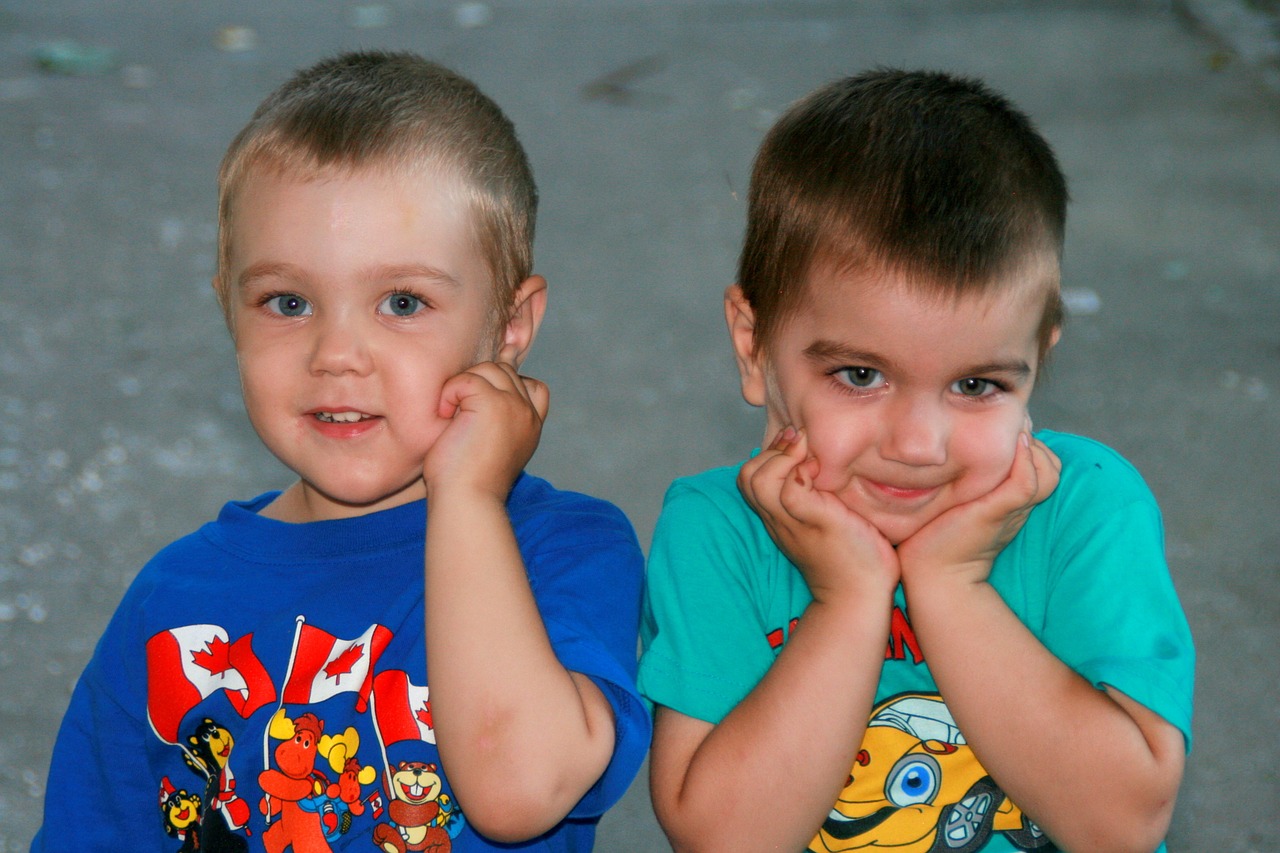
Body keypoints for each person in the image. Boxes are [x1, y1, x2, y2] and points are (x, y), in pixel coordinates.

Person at [34, 51, 649, 852]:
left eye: (402, 302)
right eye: (287, 302)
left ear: (509, 326)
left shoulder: (566, 552)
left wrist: (467, 499)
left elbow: (520, 790)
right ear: (229, 307)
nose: (337, 353)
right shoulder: (171, 605)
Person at [638, 69, 1194, 853]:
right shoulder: (720, 532)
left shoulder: (1088, 508)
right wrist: (848, 599)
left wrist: (951, 582)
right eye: (859, 375)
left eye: (976, 384)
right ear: (754, 345)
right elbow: (724, 839)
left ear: (1039, 357)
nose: (917, 444)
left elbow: (1120, 824)